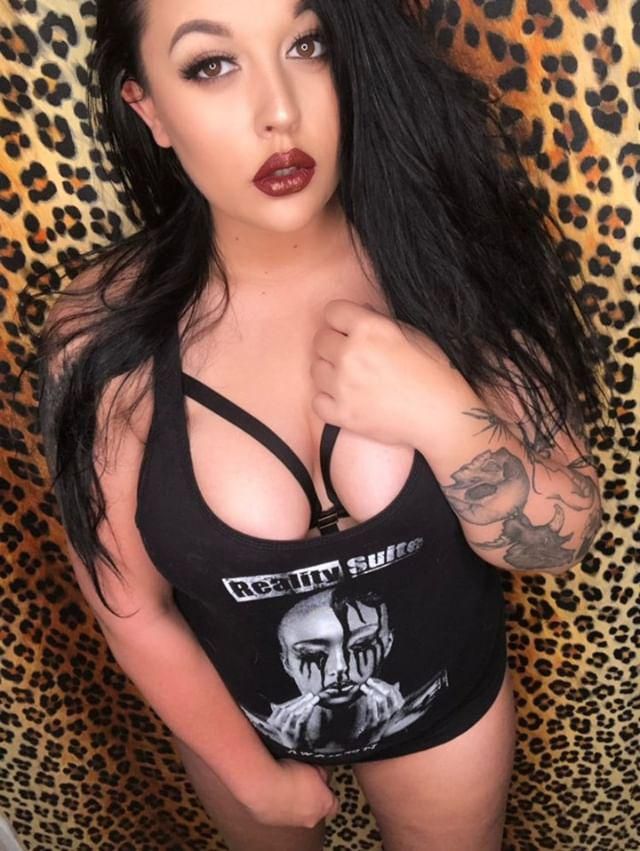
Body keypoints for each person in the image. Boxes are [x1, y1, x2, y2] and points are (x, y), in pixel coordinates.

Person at [35, 0, 608, 849]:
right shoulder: (102, 334)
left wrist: (443, 417)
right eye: (211, 65)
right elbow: (130, 607)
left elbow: (561, 537)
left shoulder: (449, 259)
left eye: (307, 45)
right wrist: (255, 779)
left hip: (445, 714)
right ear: (147, 106)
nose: (279, 111)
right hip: (240, 732)